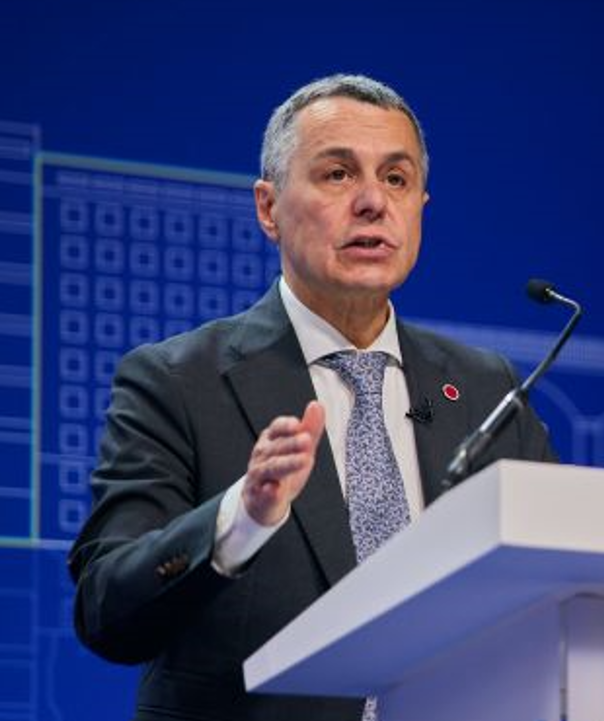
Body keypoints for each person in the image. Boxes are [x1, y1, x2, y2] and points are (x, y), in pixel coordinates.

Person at [67, 74, 557, 721]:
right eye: (337, 174)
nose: (372, 202)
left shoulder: (485, 387)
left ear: (420, 208)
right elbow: (108, 610)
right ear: (268, 208)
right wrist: (240, 518)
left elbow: (555, 579)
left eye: (396, 179)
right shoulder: (176, 381)